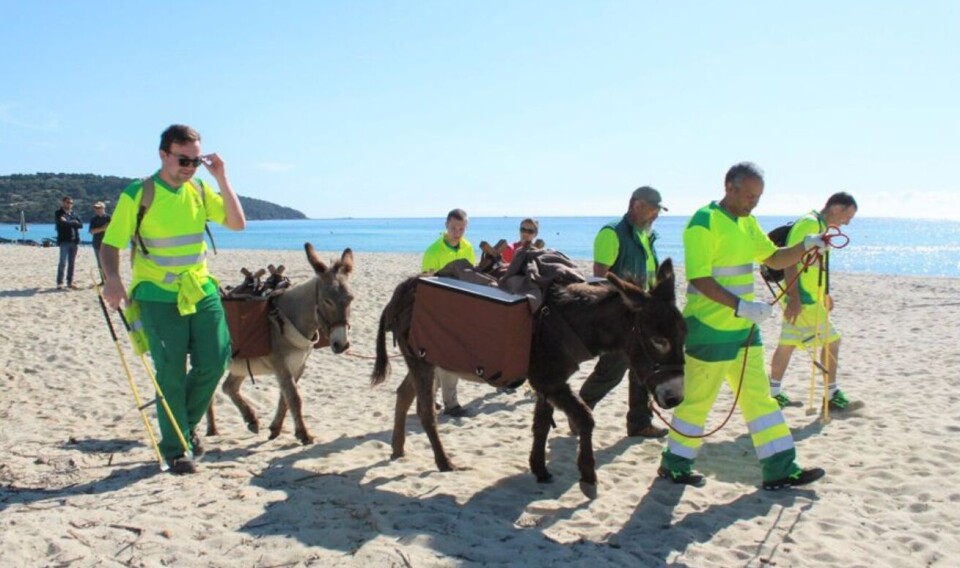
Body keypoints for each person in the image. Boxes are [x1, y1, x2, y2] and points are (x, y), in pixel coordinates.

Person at [658, 162, 827, 490]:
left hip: (745, 330)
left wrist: (806, 245)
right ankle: (674, 466)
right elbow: (700, 278)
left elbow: (774, 258)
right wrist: (741, 306)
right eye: (749, 195)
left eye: (758, 197)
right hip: (710, 327)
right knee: (698, 400)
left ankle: (781, 468)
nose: (754, 202)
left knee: (759, 398)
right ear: (729, 187)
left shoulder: (747, 222)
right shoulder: (703, 222)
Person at [100, 124, 246, 475]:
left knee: (215, 360)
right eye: (183, 159)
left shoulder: (198, 188)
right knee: (171, 371)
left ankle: (184, 427)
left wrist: (221, 178)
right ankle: (176, 449)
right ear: (163, 154)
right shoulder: (139, 193)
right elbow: (109, 245)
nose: (190, 167)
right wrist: (115, 280)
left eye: (196, 161)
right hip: (156, 294)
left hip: (200, 288)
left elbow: (238, 223)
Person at [578, 186, 669, 438]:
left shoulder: (646, 236)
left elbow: (651, 276)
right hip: (620, 319)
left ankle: (639, 423)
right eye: (653, 209)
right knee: (611, 371)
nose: (656, 215)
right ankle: (579, 409)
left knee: (644, 370)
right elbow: (599, 279)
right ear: (636, 204)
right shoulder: (612, 233)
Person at [769, 192, 858, 410]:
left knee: (787, 345)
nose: (847, 222)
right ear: (836, 208)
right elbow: (789, 260)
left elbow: (817, 265)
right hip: (803, 300)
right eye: (848, 216)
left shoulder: (820, 226)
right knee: (832, 342)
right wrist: (794, 298)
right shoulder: (809, 223)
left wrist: (825, 293)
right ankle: (831, 394)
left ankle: (772, 394)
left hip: (808, 298)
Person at [422, 208, 476, 418]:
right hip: (438, 311)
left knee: (449, 359)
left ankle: (431, 398)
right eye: (454, 228)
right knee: (443, 359)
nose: (457, 232)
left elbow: (472, 278)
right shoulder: (433, 251)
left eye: (461, 228)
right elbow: (425, 284)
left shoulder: (468, 248)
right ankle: (450, 404)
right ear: (446, 226)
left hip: (461, 310)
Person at [54, 196, 83, 290]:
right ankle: (60, 282)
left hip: (74, 241)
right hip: (64, 241)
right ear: (63, 203)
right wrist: (74, 222)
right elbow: (63, 224)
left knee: (72, 263)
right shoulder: (58, 213)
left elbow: (81, 225)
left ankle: (70, 282)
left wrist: (71, 222)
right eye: (67, 202)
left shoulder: (74, 214)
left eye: (71, 203)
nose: (69, 204)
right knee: (62, 262)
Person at [88, 201, 111, 274]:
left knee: (109, 262)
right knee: (100, 263)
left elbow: (114, 230)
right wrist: (103, 228)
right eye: (95, 208)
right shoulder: (93, 219)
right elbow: (91, 231)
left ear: (103, 208)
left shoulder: (109, 218)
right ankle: (103, 280)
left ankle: (109, 280)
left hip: (108, 243)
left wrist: (98, 230)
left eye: (98, 207)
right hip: (97, 243)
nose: (96, 209)